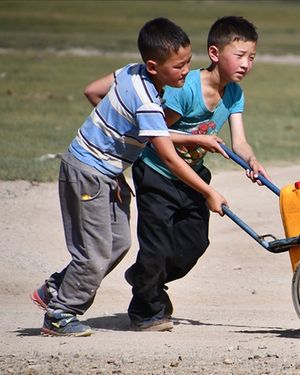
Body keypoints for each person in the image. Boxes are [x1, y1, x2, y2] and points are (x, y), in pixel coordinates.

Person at [30, 17, 227, 337]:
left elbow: (92, 91)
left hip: (105, 171)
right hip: (87, 174)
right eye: (179, 66)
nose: (186, 71)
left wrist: (115, 139)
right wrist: (209, 192)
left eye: (189, 62)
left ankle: (55, 287)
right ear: (153, 66)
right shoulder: (148, 101)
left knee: (118, 244)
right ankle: (61, 312)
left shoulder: (129, 72)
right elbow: (167, 156)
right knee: (93, 253)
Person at [125, 16, 269, 331]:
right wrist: (197, 138)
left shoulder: (234, 94)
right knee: (157, 247)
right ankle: (145, 309)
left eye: (252, 57)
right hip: (157, 173)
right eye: (240, 55)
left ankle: (144, 278)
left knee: (195, 245)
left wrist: (252, 161)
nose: (246, 64)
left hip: (193, 177)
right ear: (215, 54)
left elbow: (239, 141)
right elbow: (154, 132)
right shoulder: (185, 90)